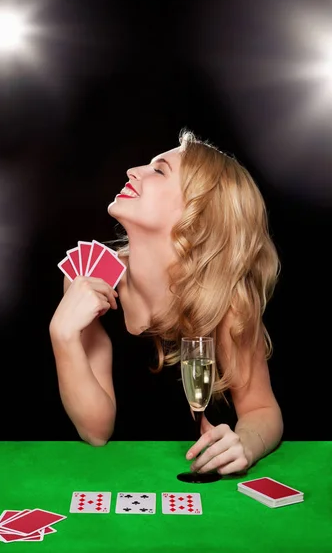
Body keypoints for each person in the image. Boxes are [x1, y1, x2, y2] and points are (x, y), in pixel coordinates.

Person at [49, 129, 284, 476]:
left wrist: (245, 444)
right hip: (118, 479)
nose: (133, 170)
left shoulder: (226, 301)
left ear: (198, 213)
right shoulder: (90, 276)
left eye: (159, 170)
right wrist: (62, 335)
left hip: (196, 483)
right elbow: (96, 431)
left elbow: (262, 409)